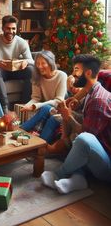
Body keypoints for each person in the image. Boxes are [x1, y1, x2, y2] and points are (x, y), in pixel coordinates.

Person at [41, 54, 111, 194]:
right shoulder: (92, 90)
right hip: (95, 154)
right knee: (68, 120)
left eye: (76, 70)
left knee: (83, 139)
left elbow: (86, 135)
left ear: (88, 73)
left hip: (106, 164)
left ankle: (59, 173)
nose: (73, 74)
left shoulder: (99, 100)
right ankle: (78, 179)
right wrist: (68, 111)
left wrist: (68, 117)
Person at [0, 15, 34, 114]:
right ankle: (5, 107)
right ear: (3, 28)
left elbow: (32, 61)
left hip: (16, 70)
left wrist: (26, 61)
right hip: (2, 71)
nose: (11, 31)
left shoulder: (22, 42)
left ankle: (24, 104)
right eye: (8, 28)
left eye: (13, 28)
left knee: (31, 70)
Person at [20, 50, 67, 144]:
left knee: (45, 108)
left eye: (43, 63)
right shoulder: (36, 77)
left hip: (58, 109)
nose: (39, 66)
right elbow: (35, 97)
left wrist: (36, 106)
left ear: (50, 63)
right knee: (44, 109)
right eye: (37, 63)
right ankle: (35, 144)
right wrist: (26, 106)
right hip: (44, 109)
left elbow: (58, 100)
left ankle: (20, 130)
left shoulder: (61, 75)